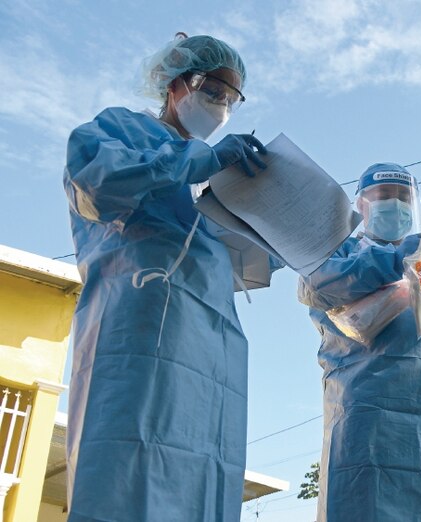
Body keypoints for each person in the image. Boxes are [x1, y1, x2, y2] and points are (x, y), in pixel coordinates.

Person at [64, 33, 269, 521]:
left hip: (209, 341)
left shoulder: (212, 178)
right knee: (125, 464)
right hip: (137, 324)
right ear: (175, 83)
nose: (220, 105)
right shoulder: (122, 129)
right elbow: (96, 183)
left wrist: (274, 228)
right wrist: (195, 160)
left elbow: (233, 262)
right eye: (212, 89)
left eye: (230, 99)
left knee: (202, 466)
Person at [298, 163, 421, 521]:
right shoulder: (341, 254)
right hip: (368, 411)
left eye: (404, 197)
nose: (396, 204)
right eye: (385, 195)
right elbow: (318, 287)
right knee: (366, 502)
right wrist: (394, 259)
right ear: (362, 204)